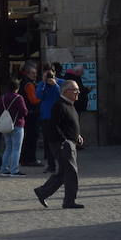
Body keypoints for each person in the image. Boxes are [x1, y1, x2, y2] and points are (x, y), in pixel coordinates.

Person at [33, 80, 85, 210]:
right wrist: (64, 141)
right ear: (66, 91)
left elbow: (68, 124)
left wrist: (77, 136)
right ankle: (69, 201)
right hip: (62, 144)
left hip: (70, 142)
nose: (78, 92)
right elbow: (54, 126)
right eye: (75, 90)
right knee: (71, 171)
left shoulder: (70, 105)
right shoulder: (59, 105)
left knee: (63, 173)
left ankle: (42, 192)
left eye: (78, 90)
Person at [0, 80, 28, 176]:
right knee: (16, 149)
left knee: (8, 148)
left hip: (6, 125)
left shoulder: (2, 97)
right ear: (17, 88)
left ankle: (4, 169)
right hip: (17, 124)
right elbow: (24, 111)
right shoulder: (18, 97)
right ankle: (14, 170)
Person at [37, 66, 65, 173]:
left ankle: (64, 164)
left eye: (50, 74)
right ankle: (51, 165)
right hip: (46, 116)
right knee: (48, 142)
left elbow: (64, 95)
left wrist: (55, 85)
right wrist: (44, 83)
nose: (48, 76)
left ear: (54, 73)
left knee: (62, 141)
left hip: (60, 116)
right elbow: (39, 96)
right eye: (46, 74)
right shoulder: (41, 84)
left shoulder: (61, 83)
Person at [18, 62, 43, 167]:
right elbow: (33, 100)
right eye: (33, 73)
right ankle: (31, 159)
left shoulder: (24, 82)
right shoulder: (29, 84)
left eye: (35, 73)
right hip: (32, 114)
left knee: (27, 137)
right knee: (32, 137)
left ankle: (24, 159)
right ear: (27, 73)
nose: (35, 75)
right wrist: (42, 98)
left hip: (27, 113)